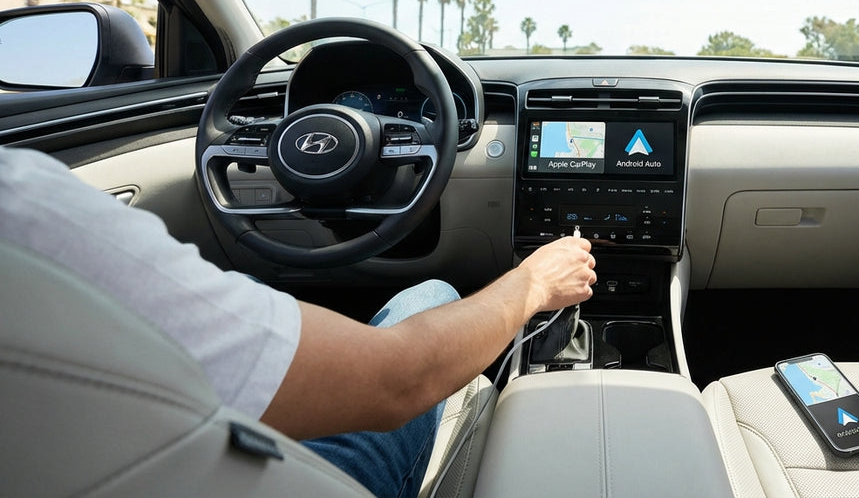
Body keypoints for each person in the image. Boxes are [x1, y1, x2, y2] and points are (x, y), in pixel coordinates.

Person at [0, 145, 597, 498]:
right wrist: (535, 283)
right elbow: (399, 380)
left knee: (262, 291)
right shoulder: (23, 203)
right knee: (433, 294)